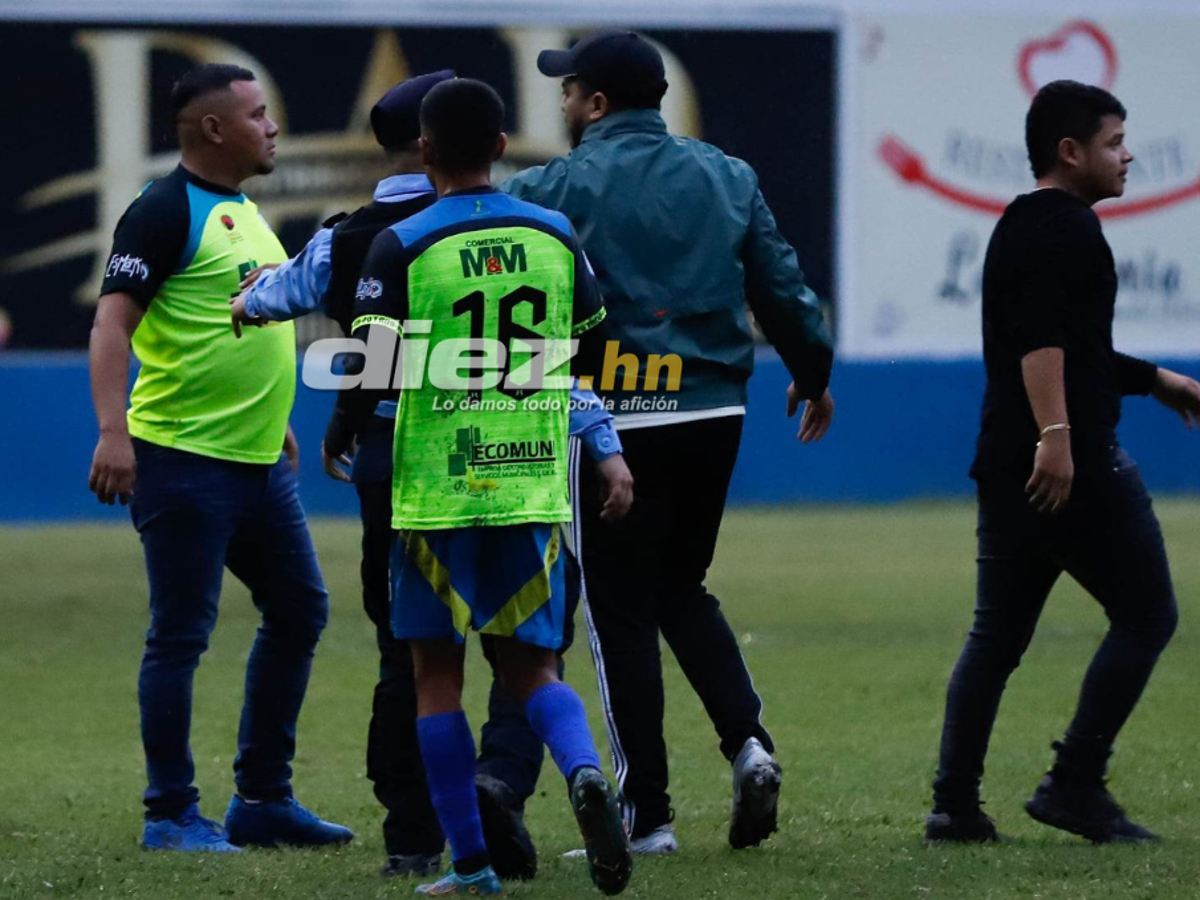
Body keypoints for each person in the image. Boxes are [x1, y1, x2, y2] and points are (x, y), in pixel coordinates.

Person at [232, 70, 631, 880]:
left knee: (430, 670)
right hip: (526, 477)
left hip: (433, 485)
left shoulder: (400, 241)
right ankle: (584, 770)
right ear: (502, 146)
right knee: (530, 665)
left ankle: (468, 862)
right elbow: (589, 348)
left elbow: (375, 366)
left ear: (424, 148)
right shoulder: (554, 231)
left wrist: (352, 420)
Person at [502, 30, 836, 854]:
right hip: (715, 412)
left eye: (570, 89)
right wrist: (813, 369)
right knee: (683, 588)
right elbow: (783, 286)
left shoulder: (554, 186)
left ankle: (645, 816)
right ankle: (748, 743)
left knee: (618, 610)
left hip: (613, 419)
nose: (563, 101)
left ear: (599, 102)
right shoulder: (728, 174)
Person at [925, 80, 1200, 845]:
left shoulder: (1024, 224)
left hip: (1005, 461)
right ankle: (1075, 782)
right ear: (1070, 152)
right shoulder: (1069, 230)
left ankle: (954, 805)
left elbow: (1070, 347)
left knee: (996, 639)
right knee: (1149, 615)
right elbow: (1041, 345)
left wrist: (1157, 380)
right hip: (1064, 461)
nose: (1128, 154)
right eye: (1115, 141)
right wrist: (1060, 437)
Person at [87, 63, 352, 852]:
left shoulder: (242, 212)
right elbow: (110, 326)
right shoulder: (163, 210)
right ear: (213, 129)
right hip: (182, 460)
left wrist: (276, 424)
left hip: (256, 462)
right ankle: (170, 813)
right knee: (180, 634)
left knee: (300, 609)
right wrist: (112, 431)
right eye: (258, 115)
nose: (272, 127)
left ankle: (262, 799)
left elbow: (241, 322)